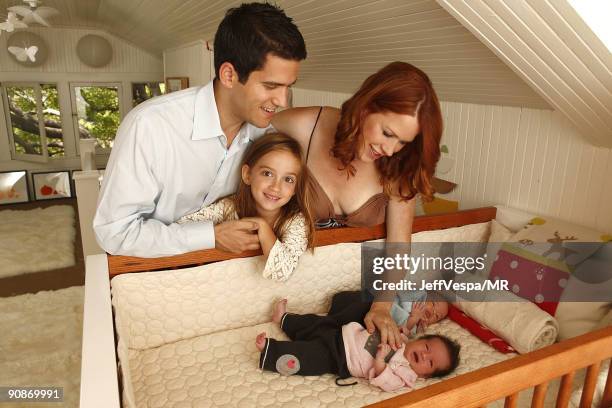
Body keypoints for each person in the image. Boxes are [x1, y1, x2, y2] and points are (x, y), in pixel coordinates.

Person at [93, 3, 306, 257]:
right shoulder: (150, 126)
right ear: (229, 75)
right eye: (271, 86)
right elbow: (114, 232)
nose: (282, 101)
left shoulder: (265, 139)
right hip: (150, 273)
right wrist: (210, 237)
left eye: (288, 87)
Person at [271, 62, 444, 348]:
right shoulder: (307, 126)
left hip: (346, 298)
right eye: (387, 133)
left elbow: (399, 247)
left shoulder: (399, 167)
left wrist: (382, 307)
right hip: (285, 287)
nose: (389, 150)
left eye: (403, 142)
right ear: (366, 106)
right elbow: (245, 142)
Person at [178, 133, 315, 281]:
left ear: (296, 188)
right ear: (247, 175)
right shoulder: (229, 207)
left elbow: (281, 272)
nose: (276, 187)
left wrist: (261, 225)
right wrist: (216, 233)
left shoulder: (295, 220)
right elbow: (182, 227)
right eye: (267, 173)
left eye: (288, 179)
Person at [255, 298, 460, 392]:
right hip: (344, 333)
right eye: (427, 348)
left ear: (424, 376)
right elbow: (401, 329)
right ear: (420, 341)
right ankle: (284, 318)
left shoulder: (406, 375)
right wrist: (407, 324)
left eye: (430, 362)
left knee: (308, 356)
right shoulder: (405, 342)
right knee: (313, 325)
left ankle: (271, 351)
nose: (425, 356)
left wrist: (380, 360)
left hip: (341, 359)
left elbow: (386, 381)